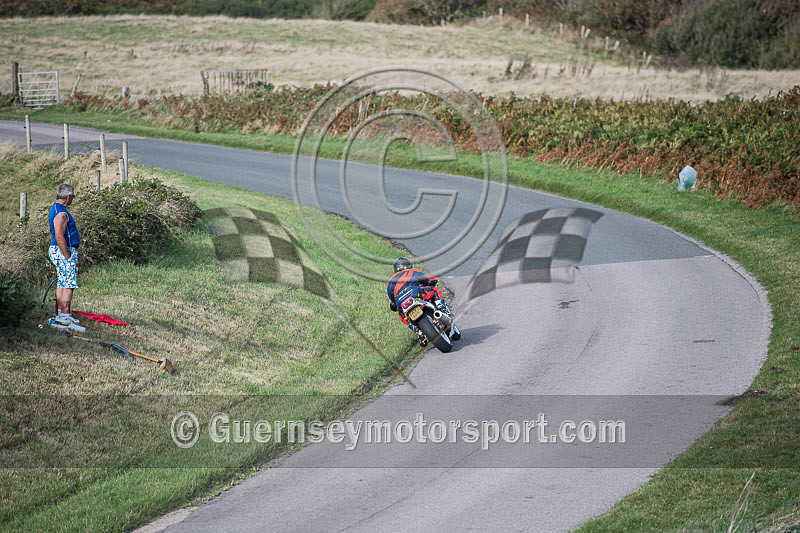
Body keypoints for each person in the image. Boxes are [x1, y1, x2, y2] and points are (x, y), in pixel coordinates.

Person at [386, 256, 450, 332]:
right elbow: (426, 280)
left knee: (401, 316)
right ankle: (440, 306)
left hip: (401, 302)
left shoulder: (390, 281)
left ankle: (415, 329)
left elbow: (392, 298)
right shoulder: (412, 271)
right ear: (409, 265)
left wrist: (395, 304)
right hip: (416, 294)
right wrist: (430, 282)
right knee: (434, 289)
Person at [48, 184, 81, 326]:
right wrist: (68, 257)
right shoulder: (61, 213)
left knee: (62, 281)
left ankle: (61, 315)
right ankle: (65, 316)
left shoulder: (55, 208)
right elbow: (59, 235)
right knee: (68, 284)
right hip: (63, 250)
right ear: (68, 197)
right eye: (72, 197)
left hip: (60, 250)